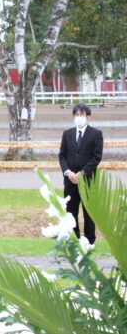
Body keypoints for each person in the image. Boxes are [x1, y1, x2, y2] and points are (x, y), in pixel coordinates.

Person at [58, 102, 103, 244]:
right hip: (70, 181)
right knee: (70, 212)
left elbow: (96, 157)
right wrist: (67, 172)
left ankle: (89, 241)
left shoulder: (96, 134)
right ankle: (74, 238)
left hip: (87, 180)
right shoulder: (67, 134)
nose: (79, 117)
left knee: (88, 213)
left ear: (88, 117)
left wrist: (82, 173)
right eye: (76, 115)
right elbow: (62, 156)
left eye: (81, 114)